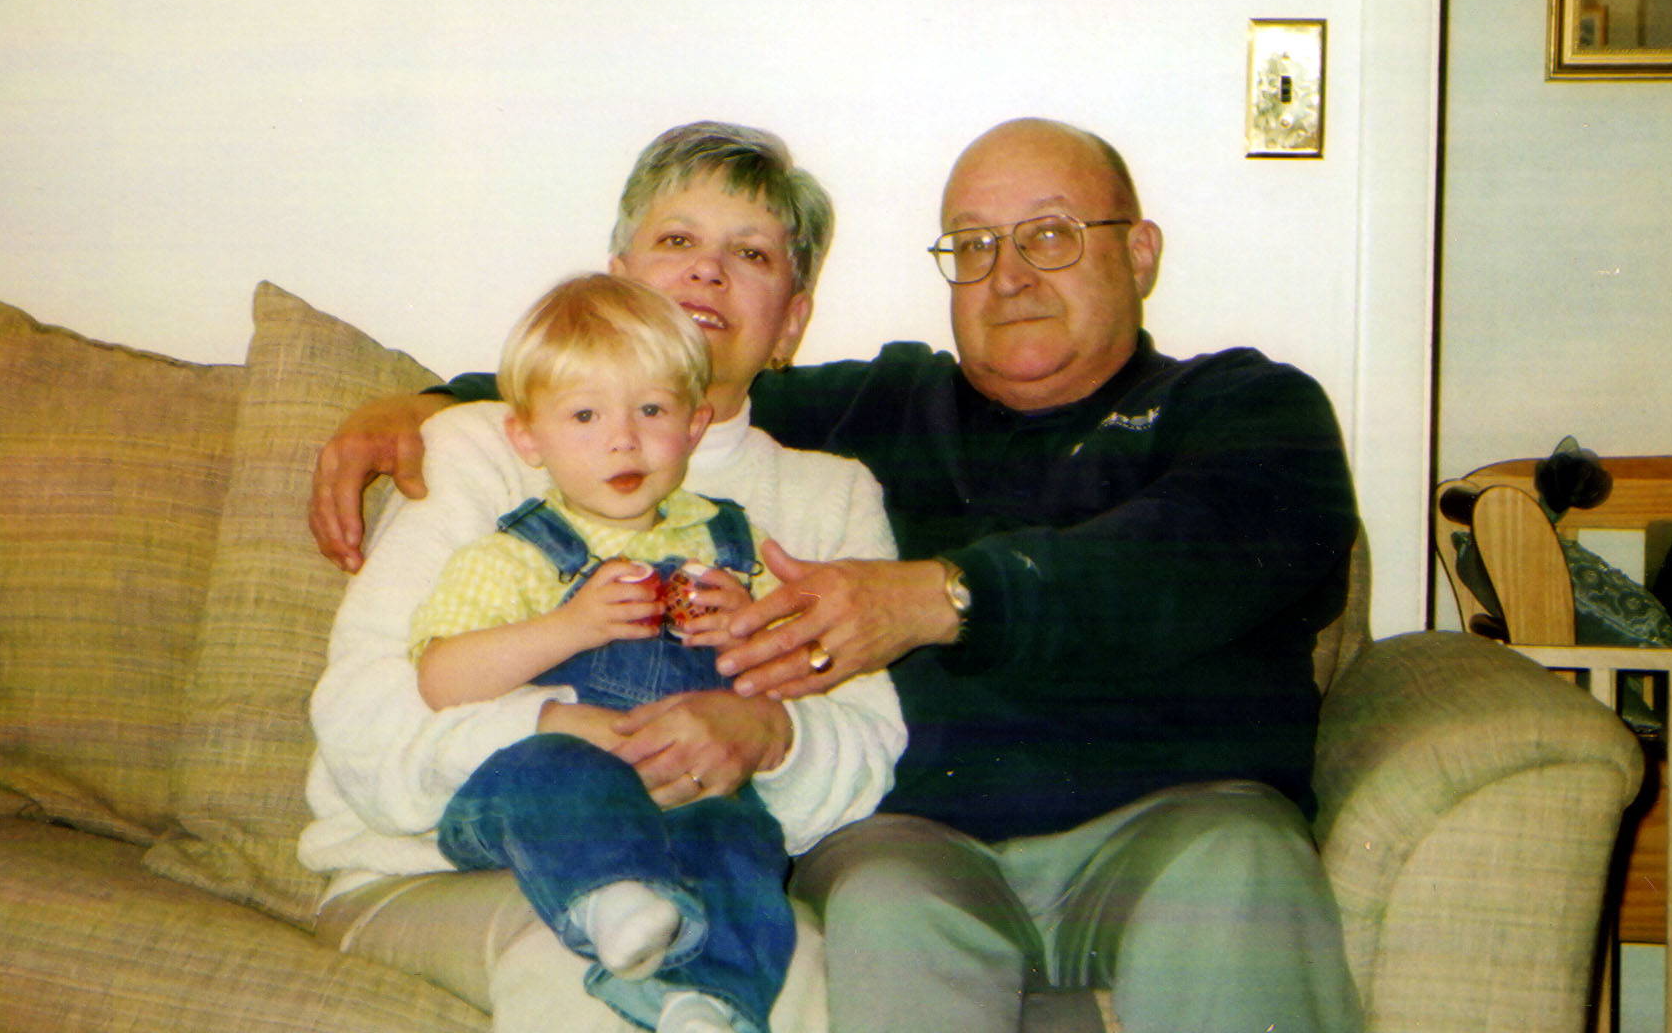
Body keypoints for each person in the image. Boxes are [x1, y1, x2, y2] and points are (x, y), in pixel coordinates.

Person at [311, 117, 1365, 1033]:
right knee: (858, 915)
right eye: (975, 245)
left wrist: (938, 597)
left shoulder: (1243, 407)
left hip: (1177, 822)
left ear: (1138, 252)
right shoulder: (878, 408)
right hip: (910, 850)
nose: (1009, 273)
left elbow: (1183, 557)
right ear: (617, 276)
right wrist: (422, 400)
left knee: (1236, 870)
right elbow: (574, 400)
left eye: (1049, 234)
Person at [299, 123, 904, 1033]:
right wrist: (561, 730)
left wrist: (767, 734)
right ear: (616, 277)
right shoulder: (481, 445)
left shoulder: (829, 498)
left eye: (750, 253)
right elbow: (362, 717)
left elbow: (865, 753)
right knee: (598, 977)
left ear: (791, 323)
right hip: (430, 869)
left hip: (697, 864)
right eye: (677, 239)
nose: (708, 271)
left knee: (794, 977)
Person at [411, 273, 841, 1033]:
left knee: (743, 837)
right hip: (539, 801)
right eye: (585, 415)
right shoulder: (515, 554)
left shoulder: (735, 545)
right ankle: (607, 900)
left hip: (684, 792)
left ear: (695, 425)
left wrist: (749, 630)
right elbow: (442, 680)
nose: (623, 439)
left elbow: (807, 671)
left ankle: (704, 1002)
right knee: (552, 768)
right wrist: (572, 627)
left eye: (652, 410)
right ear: (527, 438)